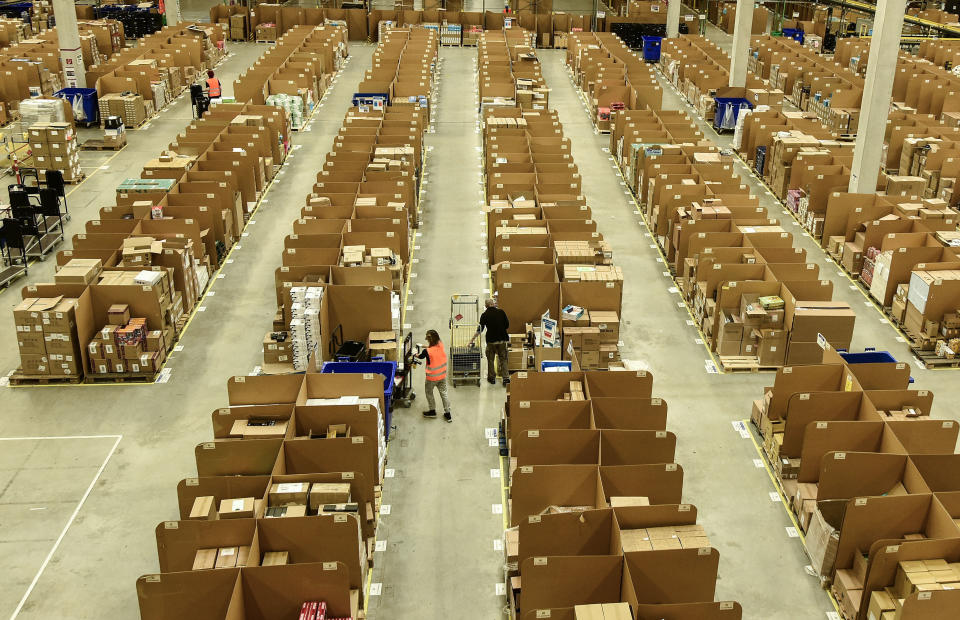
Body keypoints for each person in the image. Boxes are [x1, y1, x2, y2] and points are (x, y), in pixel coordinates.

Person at [470, 298, 510, 386]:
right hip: (502, 340)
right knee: (503, 359)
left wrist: (472, 339)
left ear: (486, 306)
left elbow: (480, 329)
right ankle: (506, 378)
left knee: (490, 359)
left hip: (491, 341)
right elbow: (507, 325)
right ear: (493, 304)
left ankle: (492, 378)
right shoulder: (501, 312)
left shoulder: (484, 315)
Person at [415, 329, 452, 422]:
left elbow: (420, 356)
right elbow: (434, 348)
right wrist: (424, 346)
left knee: (429, 393)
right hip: (442, 376)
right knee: (444, 393)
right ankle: (447, 413)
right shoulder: (440, 343)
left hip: (431, 378)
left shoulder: (427, 351)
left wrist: (414, 354)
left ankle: (432, 411)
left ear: (429, 339)